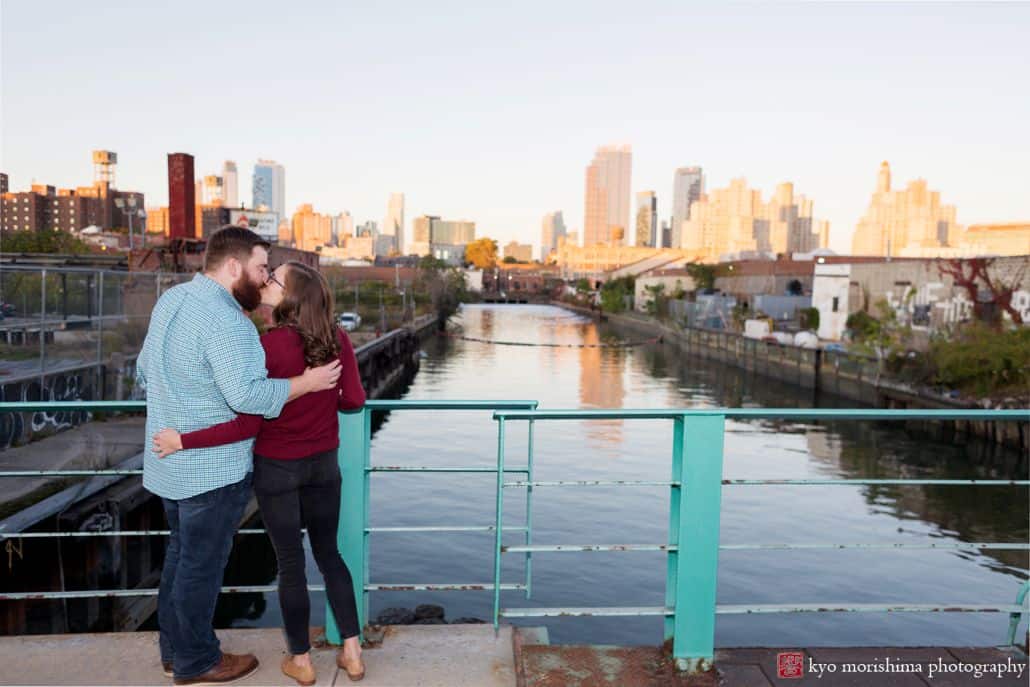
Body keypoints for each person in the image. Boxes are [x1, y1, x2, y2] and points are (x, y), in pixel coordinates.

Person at [138, 226, 343, 686]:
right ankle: (197, 661)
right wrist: (305, 385)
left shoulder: (172, 300)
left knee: (179, 558)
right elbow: (248, 396)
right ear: (234, 268)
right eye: (260, 268)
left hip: (167, 464)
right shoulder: (230, 322)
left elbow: (144, 370)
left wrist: (179, 407)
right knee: (201, 568)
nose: (264, 277)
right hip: (211, 471)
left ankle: (174, 651)